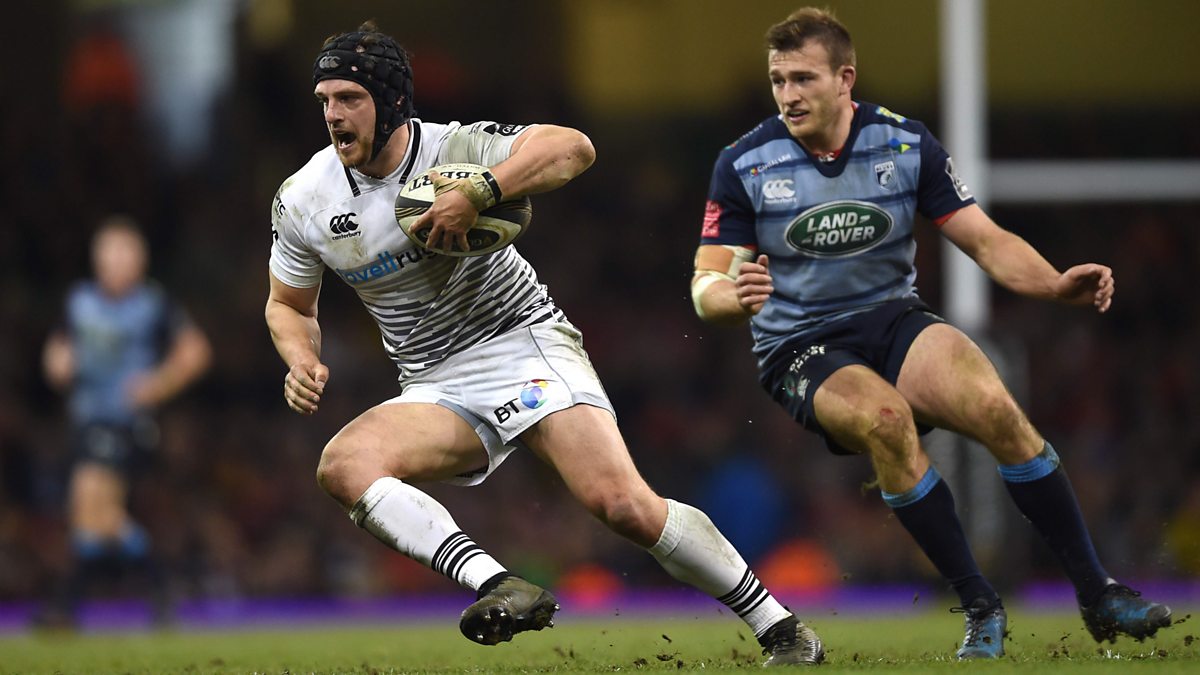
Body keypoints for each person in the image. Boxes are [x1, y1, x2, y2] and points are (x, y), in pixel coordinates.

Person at [264, 22, 823, 666]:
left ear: (390, 101)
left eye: (349, 98)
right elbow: (288, 305)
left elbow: (573, 147)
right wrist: (301, 358)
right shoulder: (304, 199)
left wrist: (481, 190)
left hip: (521, 342)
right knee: (343, 466)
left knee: (623, 505)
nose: (333, 115)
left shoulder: (454, 147)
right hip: (434, 381)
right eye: (325, 100)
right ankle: (501, 586)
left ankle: (780, 627)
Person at [690, 7, 1172, 660]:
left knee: (996, 407)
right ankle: (980, 606)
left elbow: (986, 240)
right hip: (801, 345)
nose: (788, 95)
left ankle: (1098, 591)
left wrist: (1055, 283)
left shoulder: (903, 144)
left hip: (893, 319)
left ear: (845, 78)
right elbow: (706, 283)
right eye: (778, 80)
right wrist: (732, 297)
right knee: (888, 422)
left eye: (803, 78)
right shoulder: (744, 163)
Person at [40, 216, 212, 627]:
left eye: (125, 253)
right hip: (85, 419)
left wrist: (159, 383)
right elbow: (57, 350)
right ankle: (158, 587)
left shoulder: (153, 304)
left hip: (126, 421)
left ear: (140, 261)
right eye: (110, 253)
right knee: (95, 518)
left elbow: (196, 351)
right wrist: (57, 365)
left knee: (89, 501)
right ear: (97, 259)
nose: (117, 262)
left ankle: (67, 604)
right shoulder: (79, 300)